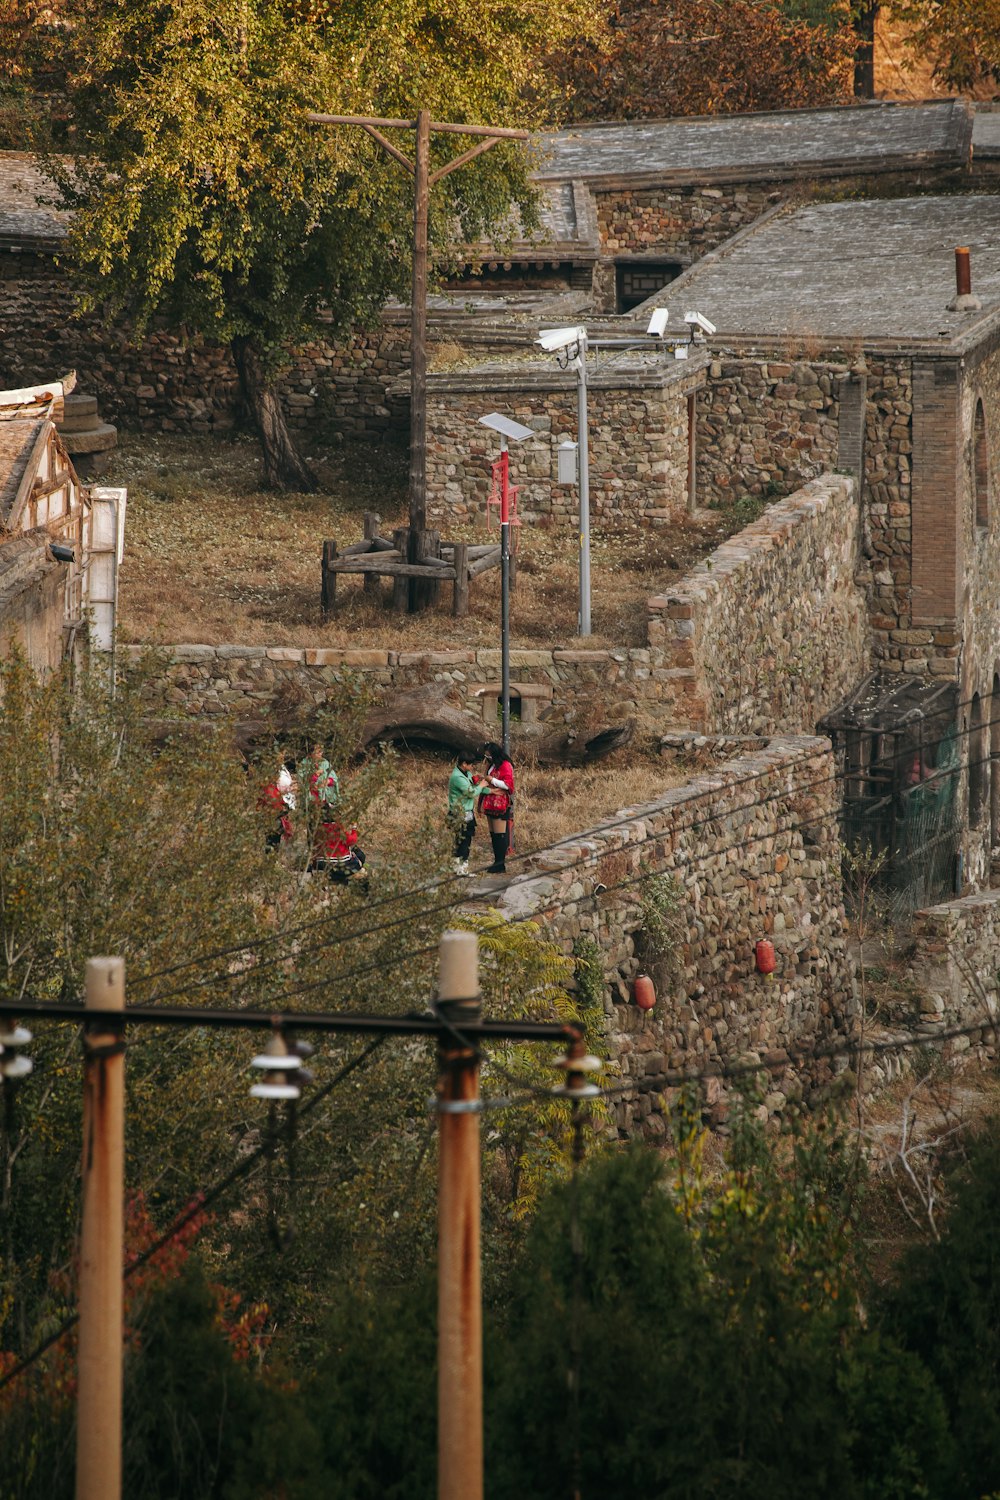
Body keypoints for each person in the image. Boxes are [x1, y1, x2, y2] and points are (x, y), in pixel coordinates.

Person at [480, 740, 514, 873]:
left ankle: (501, 864)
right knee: (493, 834)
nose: (487, 758)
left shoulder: (505, 765)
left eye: (489, 755)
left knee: (500, 834)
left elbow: (508, 785)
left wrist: (492, 780)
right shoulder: (492, 765)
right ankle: (496, 861)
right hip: (490, 801)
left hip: (500, 803)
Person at [448, 752, 482, 873]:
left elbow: (473, 787)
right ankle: (462, 868)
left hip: (465, 812)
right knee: (463, 840)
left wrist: (489, 790)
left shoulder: (465, 773)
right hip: (461, 813)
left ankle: (456, 866)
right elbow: (471, 793)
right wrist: (482, 785)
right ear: (464, 764)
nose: (472, 767)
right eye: (471, 765)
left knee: (461, 840)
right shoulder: (457, 777)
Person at [309, 813, 366, 884]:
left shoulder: (316, 827)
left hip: (321, 862)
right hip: (340, 862)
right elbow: (351, 840)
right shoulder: (337, 827)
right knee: (360, 855)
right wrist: (354, 829)